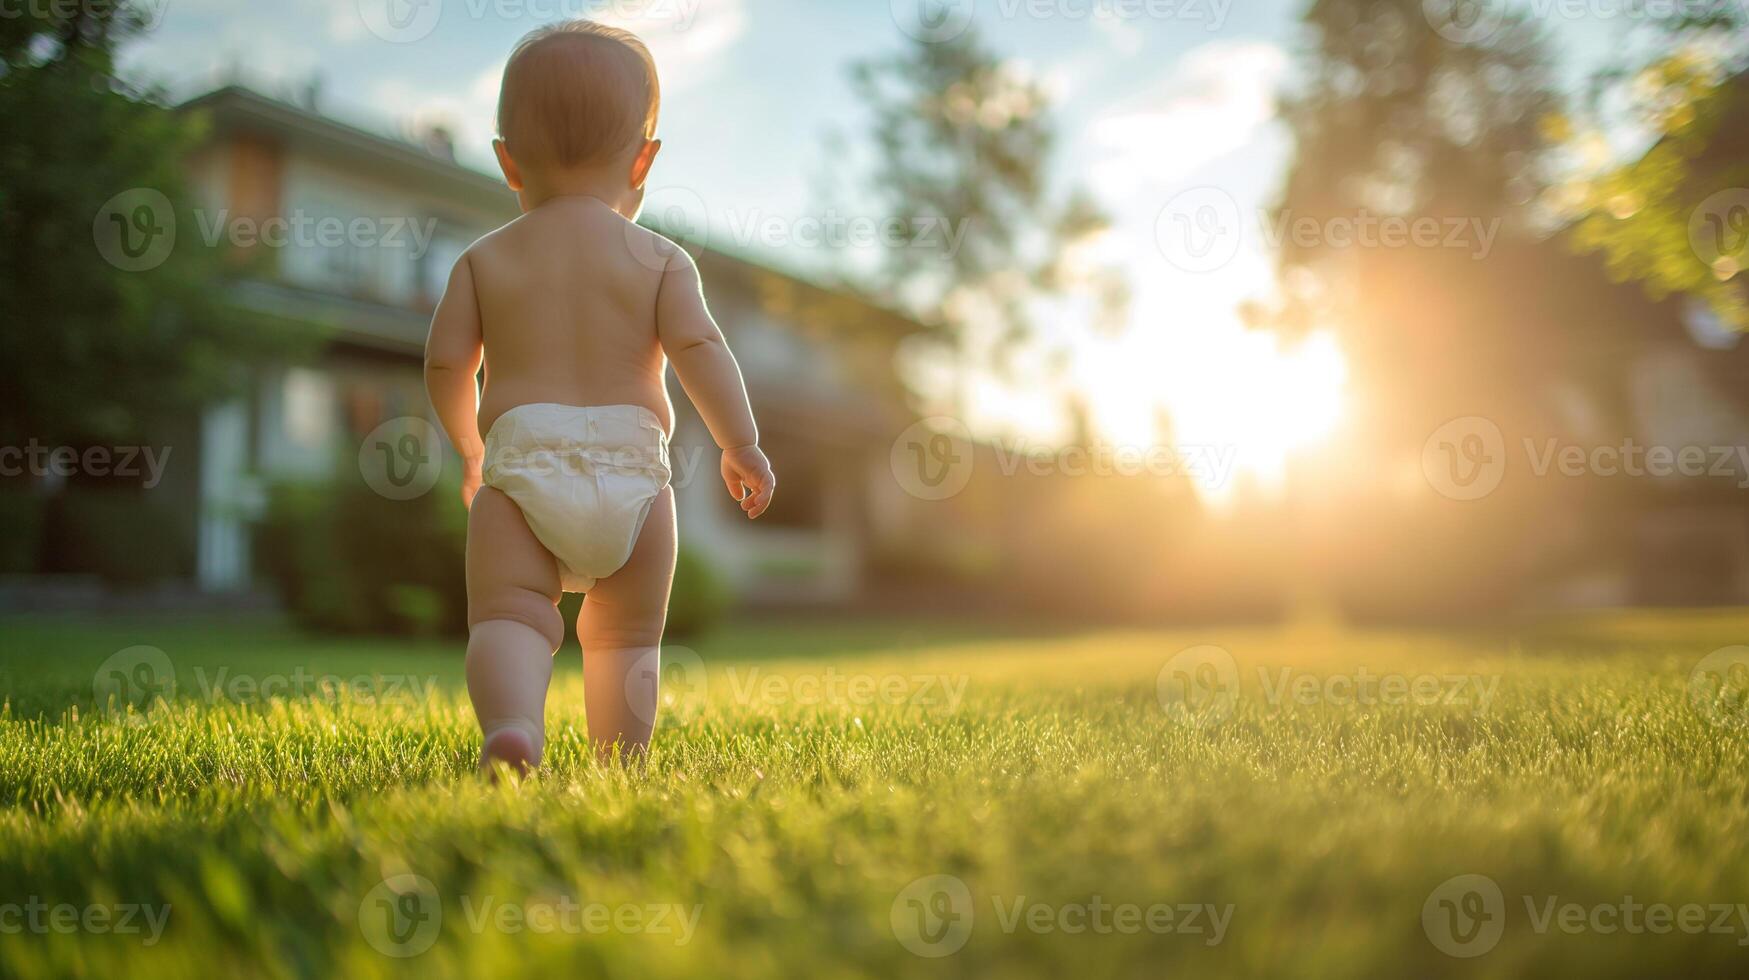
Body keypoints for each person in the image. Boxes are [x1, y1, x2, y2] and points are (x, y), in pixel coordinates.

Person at [424, 20, 774, 776]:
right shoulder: (659, 259)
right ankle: (619, 765)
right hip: (634, 472)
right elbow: (701, 349)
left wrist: (469, 447)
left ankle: (512, 731)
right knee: (626, 638)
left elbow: (446, 362)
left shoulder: (484, 260)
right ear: (643, 161)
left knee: (511, 618)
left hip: (520, 462)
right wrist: (738, 443)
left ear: (507, 163)